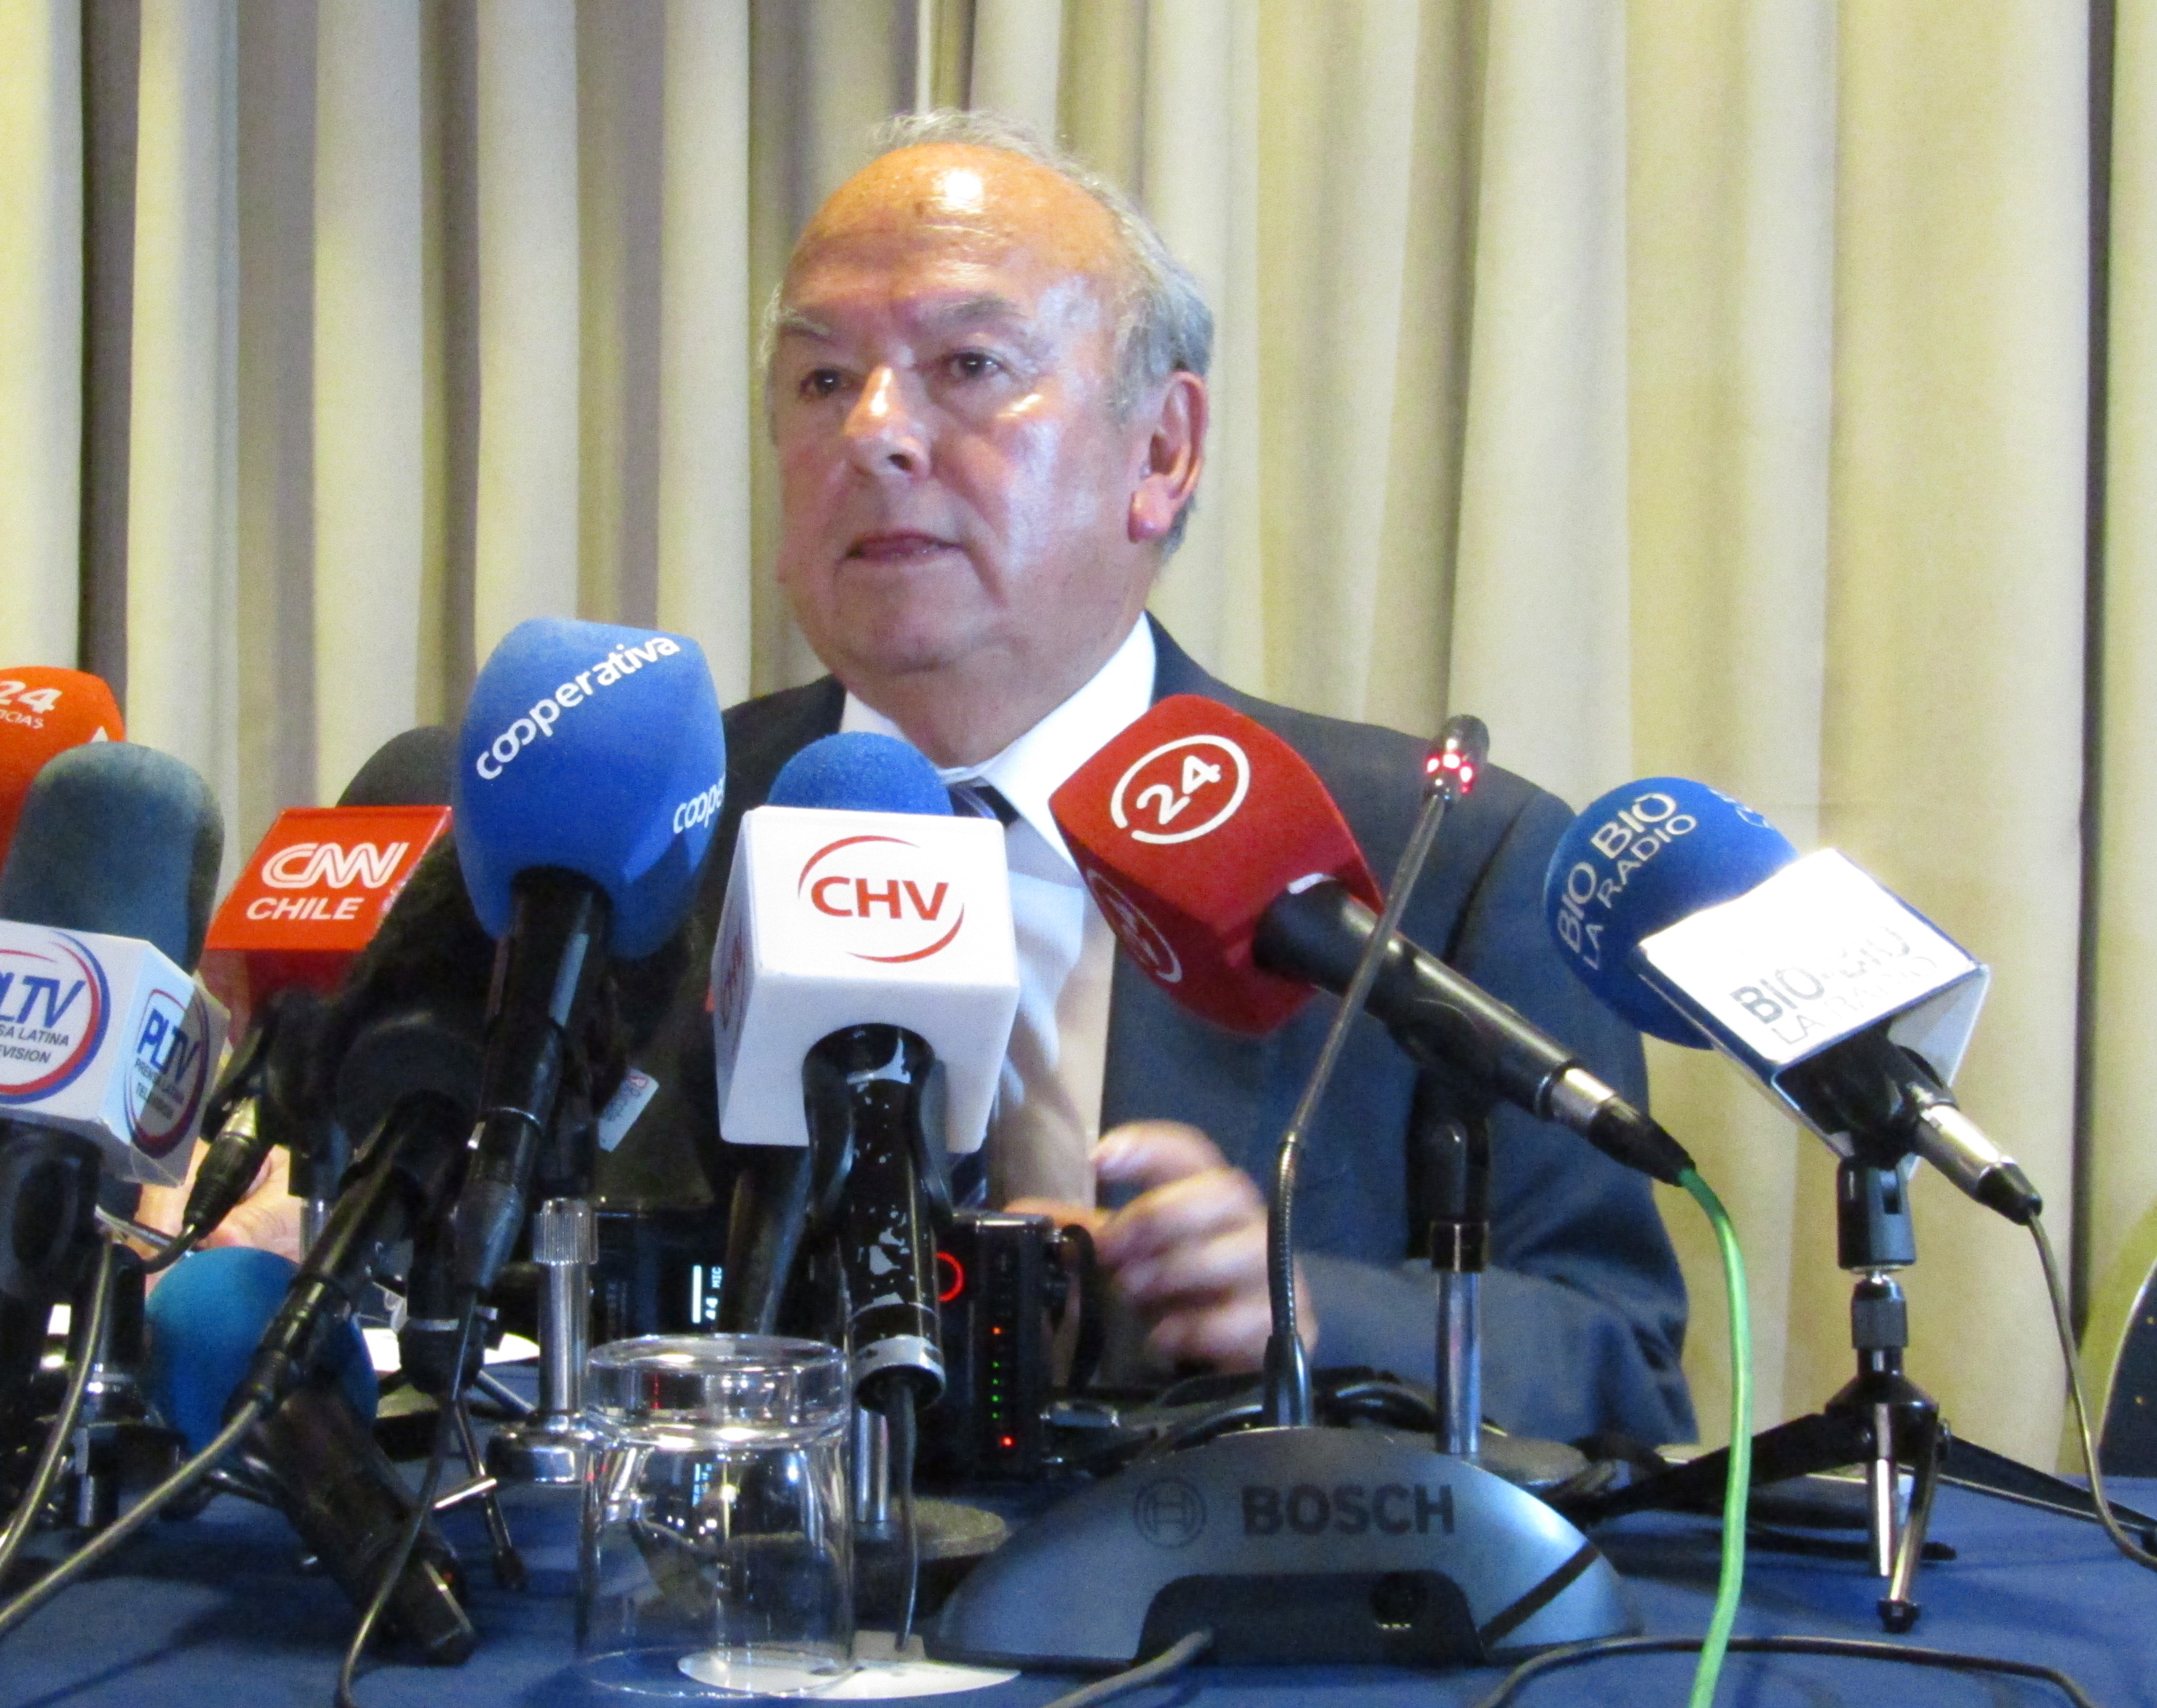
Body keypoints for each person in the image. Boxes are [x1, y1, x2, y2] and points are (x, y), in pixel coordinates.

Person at [618, 109, 1693, 1447]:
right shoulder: (641, 832)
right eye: (823, 380)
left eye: (968, 365)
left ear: (1163, 453)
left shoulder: (1443, 854)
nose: (876, 433)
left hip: (1226, 1574)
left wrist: (1309, 1311)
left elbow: (1615, 1355)